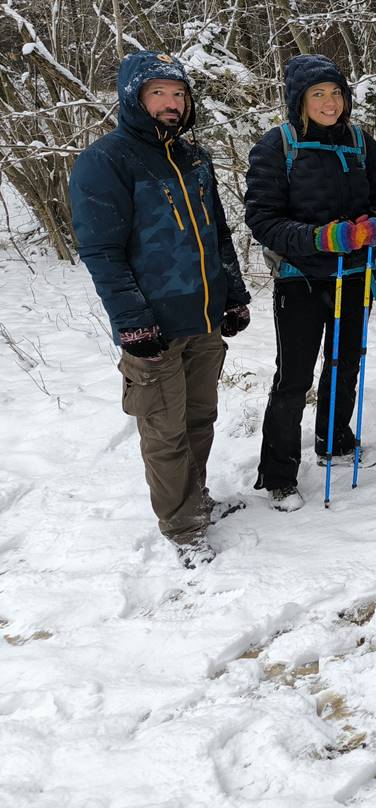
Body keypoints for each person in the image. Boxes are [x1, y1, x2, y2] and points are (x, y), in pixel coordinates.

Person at [69, 51, 251, 568]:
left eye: (178, 94)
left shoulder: (194, 158)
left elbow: (216, 234)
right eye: (158, 94)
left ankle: (198, 501)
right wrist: (132, 322)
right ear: (134, 98)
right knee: (164, 429)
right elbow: (101, 251)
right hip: (153, 325)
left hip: (204, 318)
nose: (171, 104)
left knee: (199, 418)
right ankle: (182, 525)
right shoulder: (107, 161)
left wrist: (232, 295)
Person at [244, 54, 376, 508]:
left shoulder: (360, 143)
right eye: (319, 95)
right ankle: (278, 475)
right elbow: (263, 219)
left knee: (344, 363)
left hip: (354, 277)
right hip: (301, 279)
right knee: (293, 378)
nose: (330, 103)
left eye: (336, 93)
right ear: (300, 101)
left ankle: (335, 441)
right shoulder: (278, 146)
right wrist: (321, 238)